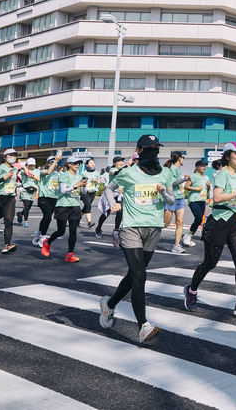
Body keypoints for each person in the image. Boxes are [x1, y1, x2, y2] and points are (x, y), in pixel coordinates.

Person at [99, 134, 175, 344]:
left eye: (156, 148)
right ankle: (143, 326)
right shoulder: (129, 172)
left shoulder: (166, 173)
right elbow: (109, 189)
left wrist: (163, 192)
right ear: (139, 150)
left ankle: (110, 304)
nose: (154, 152)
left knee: (134, 276)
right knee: (140, 275)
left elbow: (171, 199)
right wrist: (113, 203)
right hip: (131, 228)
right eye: (149, 148)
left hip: (154, 229)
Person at [184, 142, 236, 315]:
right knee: (210, 263)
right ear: (227, 156)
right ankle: (191, 291)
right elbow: (217, 198)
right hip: (219, 222)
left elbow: (235, 199)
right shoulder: (222, 174)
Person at [41, 156, 88, 262]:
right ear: (69, 165)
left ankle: (70, 254)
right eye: (75, 163)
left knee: (73, 231)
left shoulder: (79, 176)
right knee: (61, 231)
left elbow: (83, 192)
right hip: (62, 205)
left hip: (75, 205)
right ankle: (47, 242)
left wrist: (84, 187)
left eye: (79, 163)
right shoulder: (63, 176)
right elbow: (63, 190)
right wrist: (76, 186)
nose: (77, 165)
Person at [163, 152, 188, 253]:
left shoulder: (178, 169)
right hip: (171, 198)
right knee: (165, 223)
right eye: (183, 158)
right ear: (179, 158)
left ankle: (176, 245)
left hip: (180, 198)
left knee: (179, 222)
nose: (183, 160)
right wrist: (184, 179)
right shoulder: (172, 168)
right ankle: (150, 238)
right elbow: (173, 183)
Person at [34, 154, 62, 246]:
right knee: (47, 217)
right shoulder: (42, 171)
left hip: (54, 198)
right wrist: (55, 161)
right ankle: (43, 237)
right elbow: (49, 172)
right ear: (48, 163)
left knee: (46, 217)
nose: (55, 163)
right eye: (52, 162)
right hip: (44, 197)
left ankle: (38, 233)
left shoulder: (59, 174)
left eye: (56, 162)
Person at [182, 159, 211, 248]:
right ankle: (188, 235)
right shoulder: (193, 176)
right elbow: (186, 187)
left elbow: (207, 190)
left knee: (199, 220)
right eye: (202, 166)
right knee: (198, 218)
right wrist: (196, 189)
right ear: (196, 167)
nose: (204, 167)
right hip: (194, 200)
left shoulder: (206, 177)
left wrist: (209, 187)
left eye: (205, 166)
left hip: (202, 200)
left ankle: (189, 236)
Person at [95, 156, 126, 238]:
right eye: (119, 161)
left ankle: (116, 230)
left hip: (119, 195)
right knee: (106, 213)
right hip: (111, 194)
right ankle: (98, 228)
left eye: (122, 161)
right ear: (114, 163)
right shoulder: (112, 169)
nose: (121, 163)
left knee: (120, 212)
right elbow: (115, 173)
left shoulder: (124, 171)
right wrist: (126, 167)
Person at [16, 158, 39, 228]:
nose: (31, 166)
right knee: (26, 205)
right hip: (25, 190)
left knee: (28, 207)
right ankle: (26, 221)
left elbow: (38, 178)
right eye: (30, 165)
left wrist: (32, 175)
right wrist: (23, 167)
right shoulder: (23, 170)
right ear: (27, 164)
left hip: (33, 190)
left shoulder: (38, 171)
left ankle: (20, 214)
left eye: (33, 165)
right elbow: (26, 173)